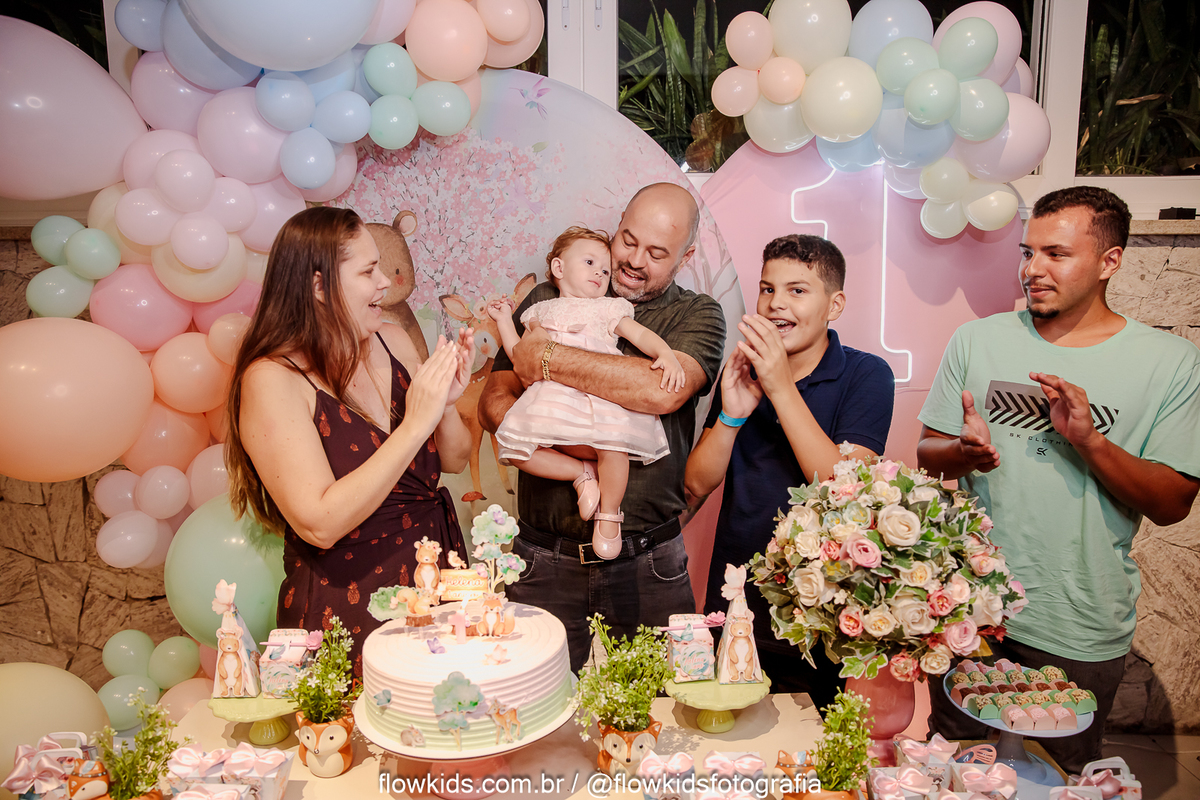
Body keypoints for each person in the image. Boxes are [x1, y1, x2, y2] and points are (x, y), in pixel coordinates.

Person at [917, 186, 1200, 773]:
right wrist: (965, 454)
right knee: (954, 773)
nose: (1032, 269)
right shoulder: (977, 339)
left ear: (1109, 261)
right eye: (1027, 252)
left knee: (1059, 780)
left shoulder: (1171, 362)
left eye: (1056, 254)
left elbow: (1173, 502)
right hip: (972, 613)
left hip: (1078, 621)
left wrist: (1090, 441)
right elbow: (927, 456)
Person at [479, 183, 727, 671]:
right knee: (533, 704)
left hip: (648, 562)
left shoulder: (698, 314)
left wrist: (545, 358)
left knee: (663, 702)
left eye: (656, 253)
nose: (633, 260)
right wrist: (564, 438)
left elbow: (660, 391)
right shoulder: (550, 295)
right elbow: (494, 404)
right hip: (542, 558)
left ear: (686, 256)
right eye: (627, 241)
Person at [224, 206, 476, 675]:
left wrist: (443, 405)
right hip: (347, 605)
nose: (384, 283)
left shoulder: (394, 341)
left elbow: (456, 460)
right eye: (367, 271)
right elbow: (319, 524)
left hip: (435, 580)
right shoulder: (273, 378)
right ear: (319, 287)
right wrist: (414, 425)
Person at [685, 234, 895, 710]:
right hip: (736, 600)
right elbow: (696, 483)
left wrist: (779, 385)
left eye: (797, 290)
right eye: (767, 289)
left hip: (818, 611)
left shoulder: (866, 374)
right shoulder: (742, 370)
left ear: (834, 304)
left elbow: (845, 489)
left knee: (807, 746)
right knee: (726, 738)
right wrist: (733, 414)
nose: (776, 303)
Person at [487, 226, 684, 561]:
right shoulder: (540, 310)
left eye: (605, 270)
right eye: (590, 263)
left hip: (599, 397)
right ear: (559, 268)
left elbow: (639, 335)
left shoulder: (607, 308)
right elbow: (520, 353)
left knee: (613, 447)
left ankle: (609, 513)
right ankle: (580, 473)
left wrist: (665, 353)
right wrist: (505, 319)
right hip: (554, 397)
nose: (599, 274)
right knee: (516, 448)